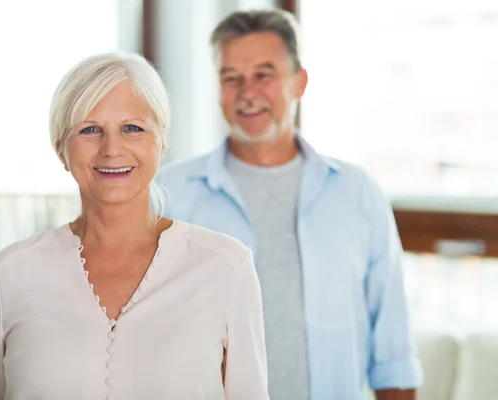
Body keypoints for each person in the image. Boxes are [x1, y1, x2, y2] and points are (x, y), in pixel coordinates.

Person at [0, 52, 269, 400]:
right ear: (61, 149)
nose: (111, 148)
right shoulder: (11, 273)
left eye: (132, 128)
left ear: (161, 143)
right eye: (90, 130)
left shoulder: (226, 267)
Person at [158, 9, 423, 400]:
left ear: (299, 82)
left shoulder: (357, 193)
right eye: (231, 78)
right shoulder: (169, 192)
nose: (247, 92)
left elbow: (393, 350)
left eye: (264, 75)